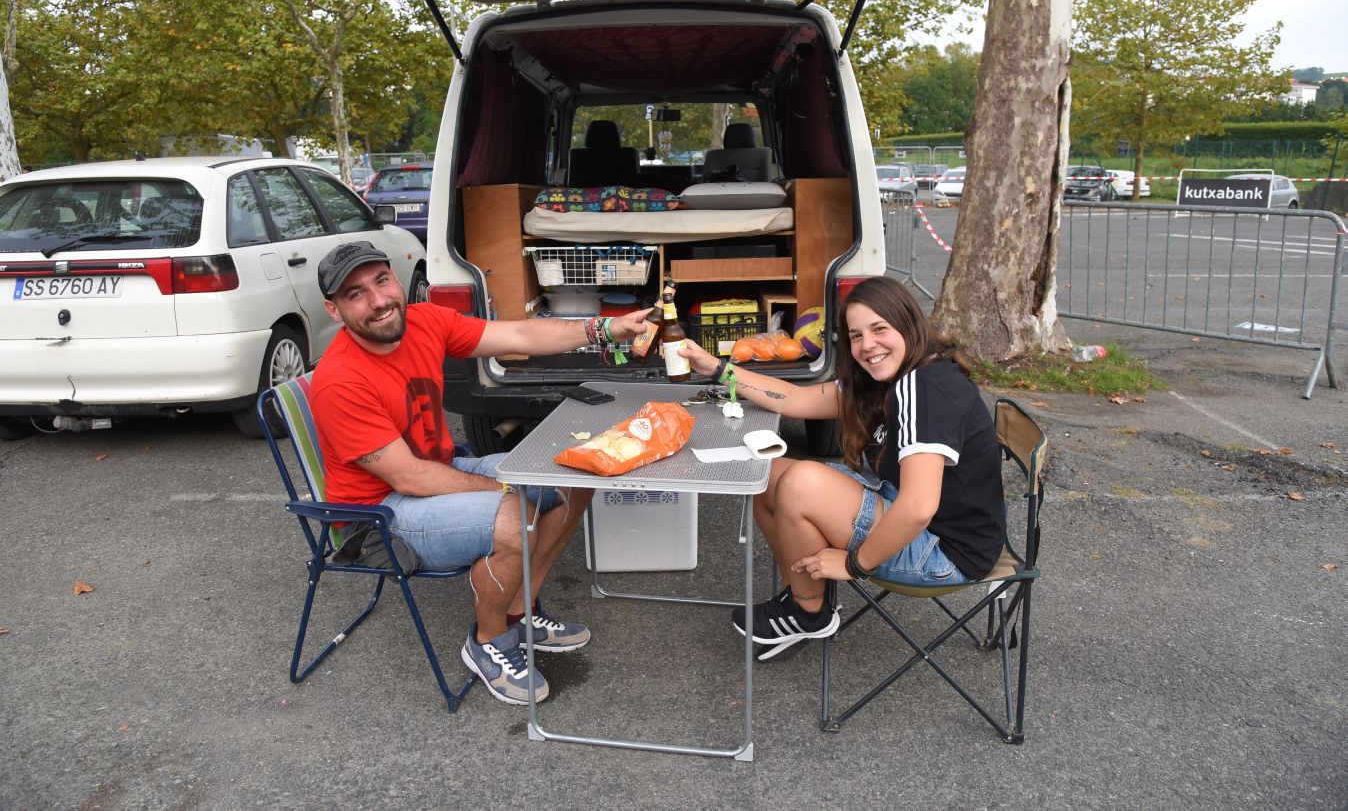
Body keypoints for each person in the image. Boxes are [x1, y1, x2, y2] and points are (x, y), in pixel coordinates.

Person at [309, 241, 652, 704]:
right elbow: (409, 479)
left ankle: (520, 608)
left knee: (574, 474)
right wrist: (506, 487)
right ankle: (489, 641)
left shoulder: (425, 321)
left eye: (381, 282)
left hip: (436, 470)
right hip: (376, 515)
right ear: (334, 309)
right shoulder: (340, 380)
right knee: (515, 516)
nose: (378, 301)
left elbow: (521, 337)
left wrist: (604, 328)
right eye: (355, 294)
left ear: (396, 278)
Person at [677, 276, 1006, 660]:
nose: (868, 346)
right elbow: (797, 399)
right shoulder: (884, 377)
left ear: (909, 324)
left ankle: (807, 614)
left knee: (801, 483)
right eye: (856, 335)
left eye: (879, 329)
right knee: (768, 475)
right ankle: (805, 599)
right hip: (908, 512)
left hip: (945, 552)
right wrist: (717, 369)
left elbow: (918, 508)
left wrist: (855, 564)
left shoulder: (926, 388)